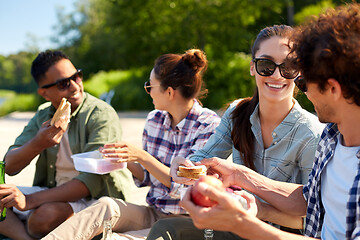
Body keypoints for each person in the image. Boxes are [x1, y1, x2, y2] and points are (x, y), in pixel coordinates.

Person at [178, 3, 360, 240]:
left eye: (303, 82)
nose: (302, 91)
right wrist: (240, 176)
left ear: (333, 88)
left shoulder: (315, 132)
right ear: (253, 67)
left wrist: (244, 221)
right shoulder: (331, 138)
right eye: (267, 66)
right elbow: (309, 199)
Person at [147, 24, 325, 240]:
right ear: (252, 67)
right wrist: (183, 165)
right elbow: (203, 159)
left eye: (289, 66)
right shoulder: (236, 113)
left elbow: (313, 217)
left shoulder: (311, 134)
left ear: (300, 72)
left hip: (276, 235)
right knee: (165, 230)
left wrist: (261, 210)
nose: (278, 75)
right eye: (267, 65)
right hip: (234, 227)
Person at [43, 49, 221, 240]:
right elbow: (147, 177)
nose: (148, 91)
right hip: (154, 213)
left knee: (112, 238)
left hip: (188, 223)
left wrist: (142, 156)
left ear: (169, 92)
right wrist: (124, 157)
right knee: (106, 205)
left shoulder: (208, 125)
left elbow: (187, 187)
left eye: (150, 86)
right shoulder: (155, 119)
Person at [0, 50, 134, 239]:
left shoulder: (100, 114)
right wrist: (37, 143)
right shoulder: (43, 114)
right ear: (44, 93)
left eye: (77, 76)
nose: (74, 87)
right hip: (52, 190)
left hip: (95, 199)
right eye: (63, 83)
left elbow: (91, 180)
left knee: (44, 217)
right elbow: (9, 165)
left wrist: (29, 200)